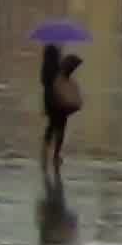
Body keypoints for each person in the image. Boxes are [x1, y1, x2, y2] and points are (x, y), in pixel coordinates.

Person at [38, 44, 82, 175]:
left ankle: (45, 151)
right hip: (60, 101)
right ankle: (56, 155)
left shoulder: (45, 70)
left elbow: (44, 83)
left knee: (51, 126)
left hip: (49, 101)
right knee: (61, 127)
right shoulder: (60, 68)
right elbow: (67, 74)